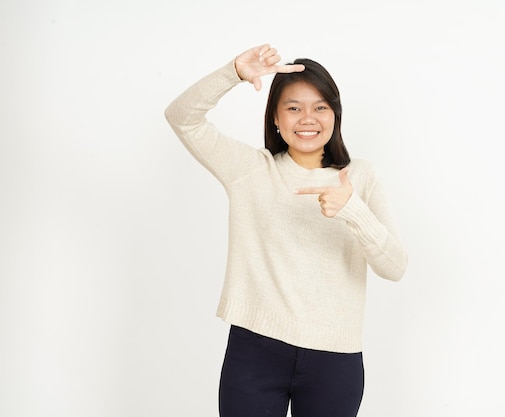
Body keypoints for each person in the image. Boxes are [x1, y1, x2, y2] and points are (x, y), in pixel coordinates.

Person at [164, 43, 407, 417]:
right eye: (293, 108)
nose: (307, 118)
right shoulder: (250, 170)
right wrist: (232, 73)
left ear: (335, 116)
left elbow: (395, 267)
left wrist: (353, 210)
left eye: (319, 107)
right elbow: (182, 117)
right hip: (255, 352)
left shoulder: (359, 177)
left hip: (335, 359)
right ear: (275, 118)